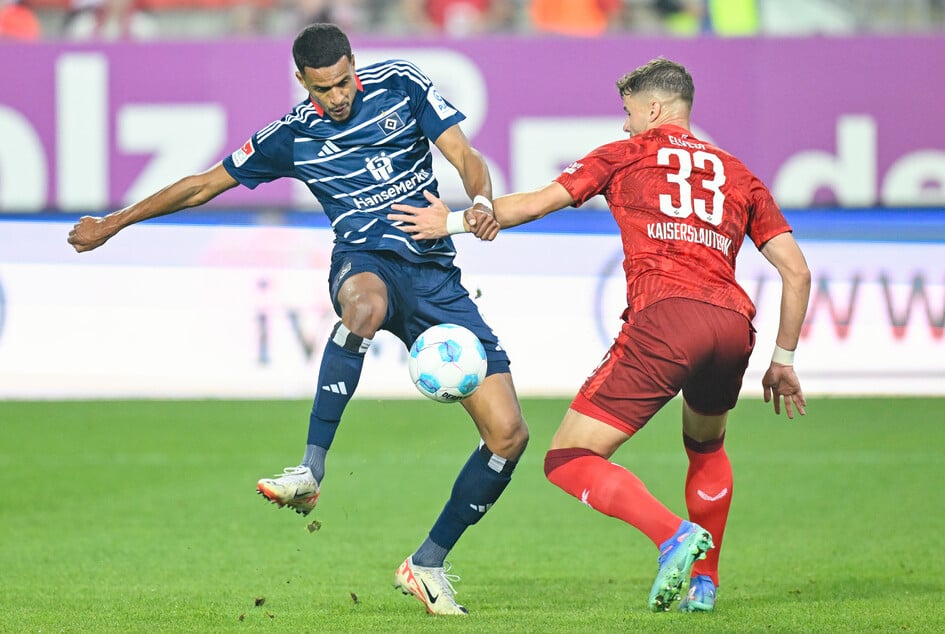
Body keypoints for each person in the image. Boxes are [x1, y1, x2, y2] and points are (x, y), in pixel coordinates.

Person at [67, 22, 528, 617]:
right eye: (322, 89)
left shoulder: (403, 86)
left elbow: (464, 154)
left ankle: (427, 564)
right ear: (301, 82)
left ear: (353, 66)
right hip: (365, 262)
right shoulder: (292, 135)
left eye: (342, 83)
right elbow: (202, 184)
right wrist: (114, 222)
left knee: (508, 436)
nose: (336, 97)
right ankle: (311, 467)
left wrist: (481, 203)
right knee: (362, 307)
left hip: (436, 279)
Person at [389, 57, 811, 613]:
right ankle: (704, 586)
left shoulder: (626, 155)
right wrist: (782, 359)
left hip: (667, 318)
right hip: (733, 324)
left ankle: (672, 535)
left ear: (655, 109)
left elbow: (537, 204)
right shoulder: (738, 173)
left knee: (568, 458)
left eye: (630, 112)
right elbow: (797, 271)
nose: (625, 125)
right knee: (707, 446)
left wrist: (450, 222)